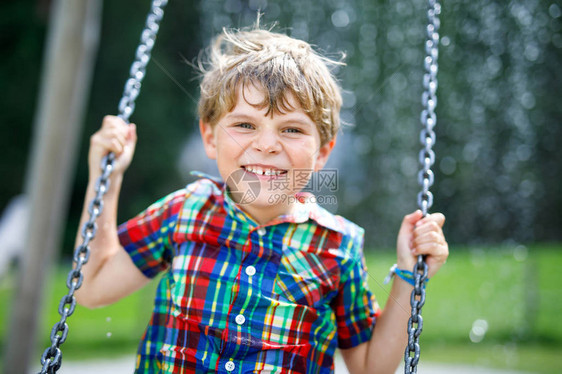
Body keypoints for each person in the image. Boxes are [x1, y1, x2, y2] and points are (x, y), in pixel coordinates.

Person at [75, 25, 449, 374]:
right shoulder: (184, 212)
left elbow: (370, 366)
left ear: (322, 153)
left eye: (291, 129)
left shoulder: (336, 245)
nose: (267, 145)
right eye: (244, 125)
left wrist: (408, 275)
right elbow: (91, 287)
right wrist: (106, 179)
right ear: (210, 137)